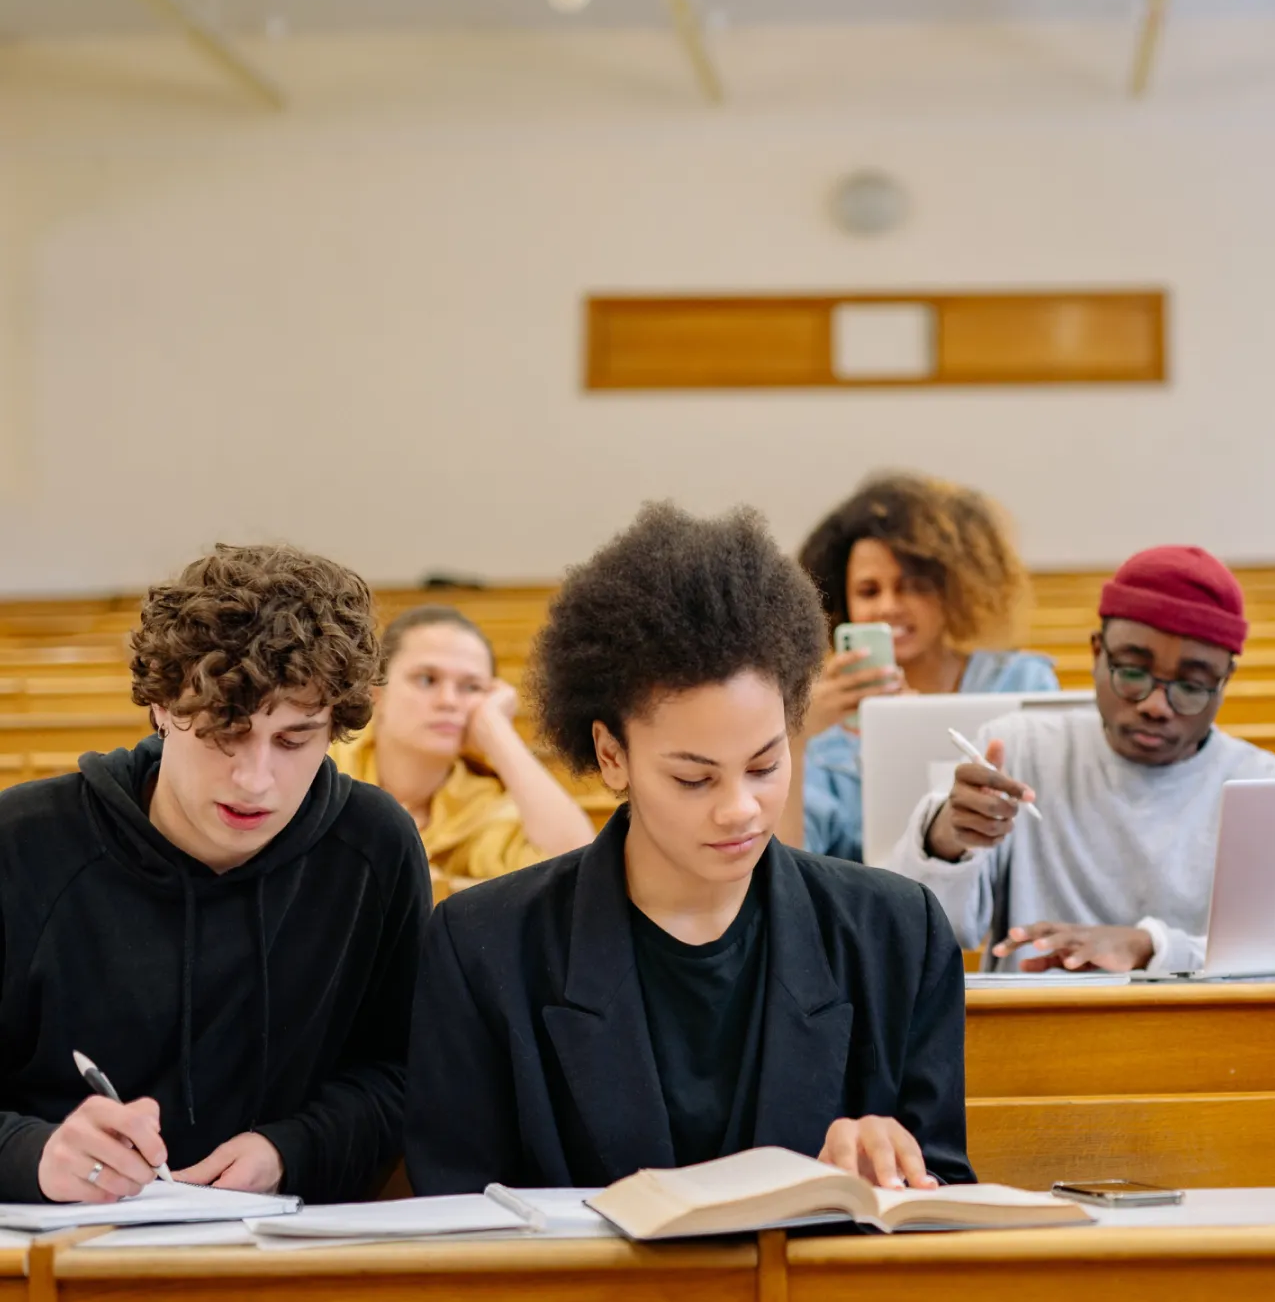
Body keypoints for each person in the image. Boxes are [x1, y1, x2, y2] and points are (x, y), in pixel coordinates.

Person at [404, 503, 972, 1193]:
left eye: (765, 765)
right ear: (611, 755)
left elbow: (945, 1191)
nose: (740, 808)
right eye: (694, 778)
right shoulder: (483, 946)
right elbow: (458, 1217)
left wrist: (892, 1169)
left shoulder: (897, 932)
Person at [0, 545, 430, 1205]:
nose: (255, 780)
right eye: (225, 731)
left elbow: (405, 1071)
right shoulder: (23, 843)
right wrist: (34, 1155)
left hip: (286, 1240)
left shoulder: (375, 848)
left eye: (293, 740)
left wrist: (292, 1149)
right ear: (161, 707)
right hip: (55, 1241)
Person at [884, 545, 1275, 973]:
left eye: (1191, 686)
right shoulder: (1018, 749)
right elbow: (918, 927)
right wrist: (948, 837)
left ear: (1225, 681)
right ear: (1097, 652)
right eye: (1132, 673)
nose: (1156, 705)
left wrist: (1151, 948)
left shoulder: (1269, 789)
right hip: (1034, 1013)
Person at [795, 473, 1058, 862]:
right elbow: (791, 860)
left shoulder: (1020, 681)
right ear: (842, 602)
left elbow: (1050, 824)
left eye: (914, 586)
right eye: (869, 591)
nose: (888, 607)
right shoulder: (823, 719)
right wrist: (796, 736)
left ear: (953, 590)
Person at [331, 606, 593, 882]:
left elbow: (575, 864)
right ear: (376, 693)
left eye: (471, 687)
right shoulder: (323, 765)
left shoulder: (477, 806)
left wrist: (497, 731)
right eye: (426, 679)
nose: (449, 701)